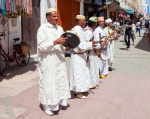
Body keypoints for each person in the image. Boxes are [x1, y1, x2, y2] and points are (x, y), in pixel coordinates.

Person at [37, 8, 71, 116]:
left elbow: (62, 44)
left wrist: (66, 48)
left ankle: (59, 102)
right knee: (49, 83)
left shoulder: (60, 29)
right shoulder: (42, 29)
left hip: (59, 59)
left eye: (57, 16)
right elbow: (41, 46)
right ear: (47, 17)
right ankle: (47, 106)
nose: (56, 18)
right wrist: (55, 42)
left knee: (60, 81)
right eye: (53, 16)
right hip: (48, 60)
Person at [70, 15, 96, 99]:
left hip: (82, 55)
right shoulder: (76, 30)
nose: (85, 22)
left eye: (85, 21)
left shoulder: (81, 30)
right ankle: (77, 92)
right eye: (83, 21)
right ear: (78, 21)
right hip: (77, 56)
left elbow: (84, 42)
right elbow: (79, 45)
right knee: (78, 73)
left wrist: (90, 43)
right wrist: (90, 44)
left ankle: (82, 89)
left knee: (82, 73)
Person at [84, 16, 100, 89]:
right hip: (90, 53)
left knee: (94, 68)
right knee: (91, 68)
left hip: (93, 52)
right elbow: (87, 43)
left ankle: (93, 83)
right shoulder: (88, 31)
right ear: (93, 24)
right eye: (96, 23)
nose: (96, 25)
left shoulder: (91, 30)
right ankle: (91, 84)